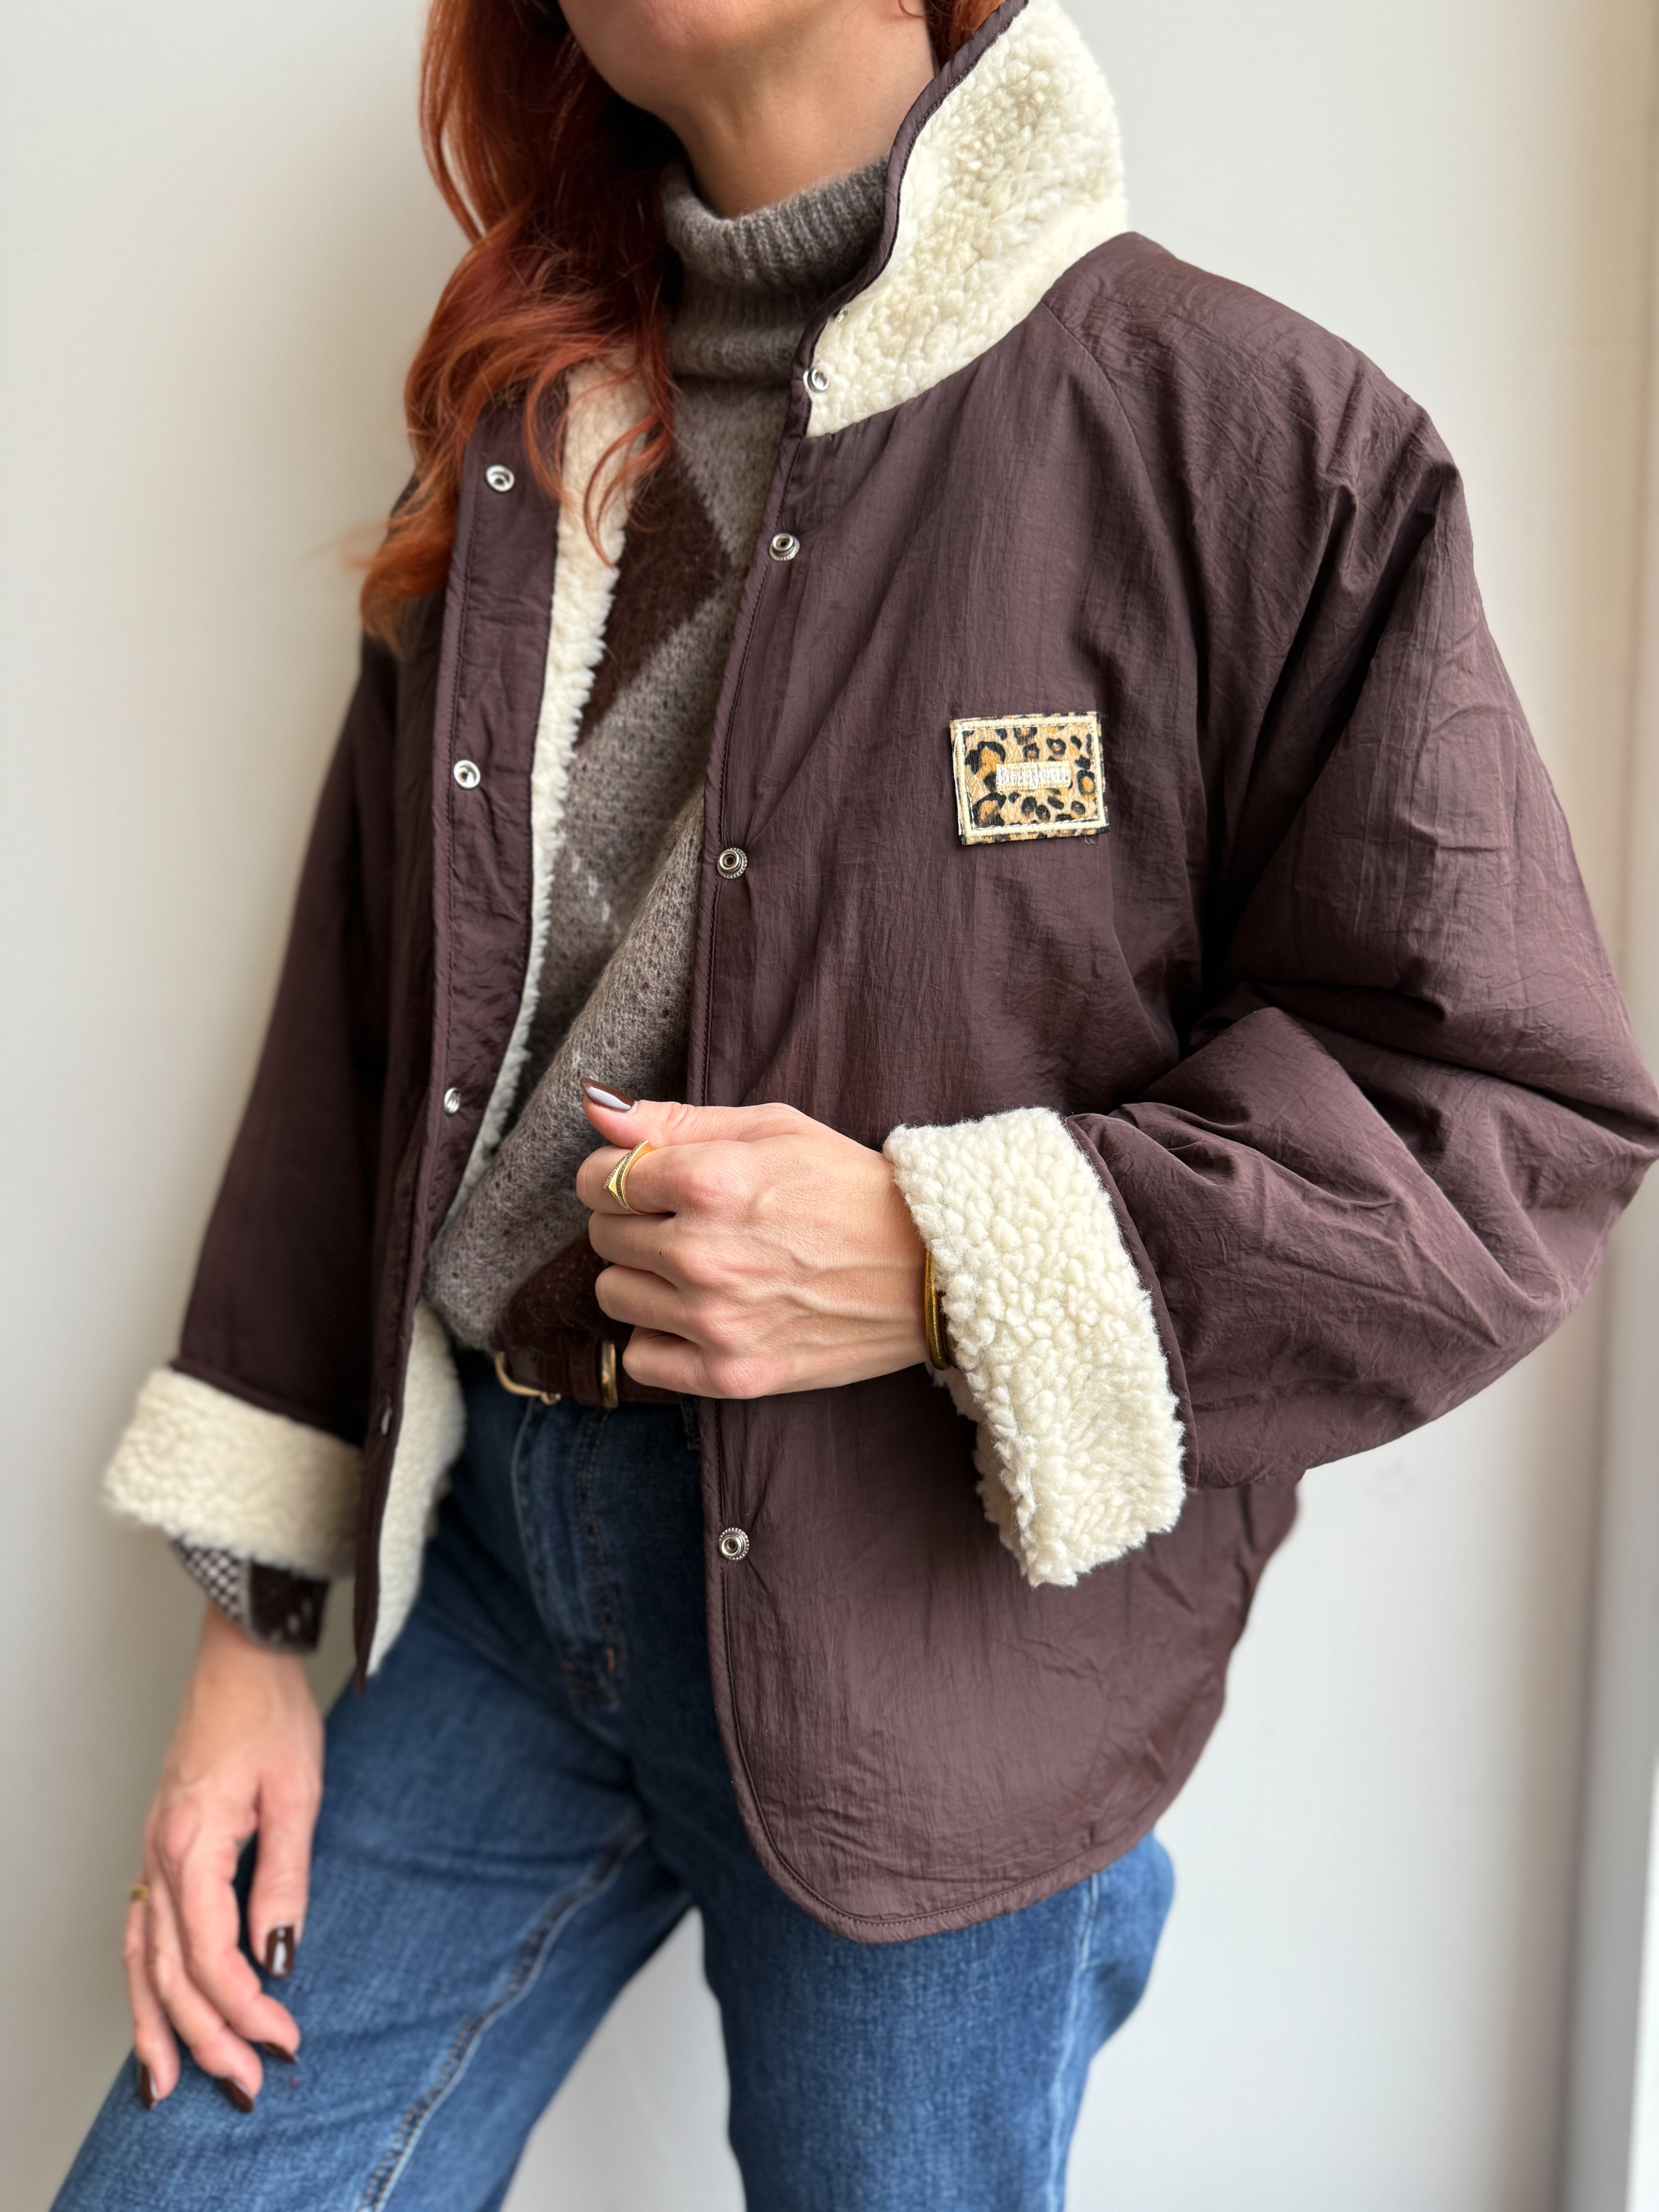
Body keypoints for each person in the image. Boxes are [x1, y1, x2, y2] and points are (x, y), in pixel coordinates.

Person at [56, 0, 1659, 2204]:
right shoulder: (520, 437)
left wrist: (942, 1255)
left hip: (943, 1646)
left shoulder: (1252, 439)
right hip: (508, 1584)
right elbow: (363, 1017)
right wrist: (252, 1635)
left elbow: (1496, 1109)